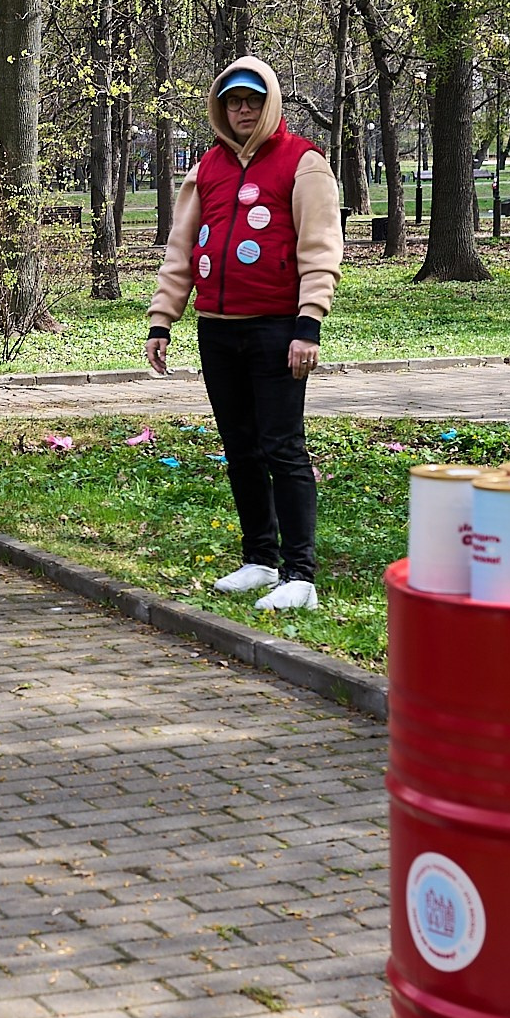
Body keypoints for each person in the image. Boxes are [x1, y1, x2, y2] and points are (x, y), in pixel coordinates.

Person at [144, 56, 342, 613]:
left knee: (283, 446)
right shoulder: (206, 167)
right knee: (241, 447)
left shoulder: (303, 163)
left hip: (279, 330)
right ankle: (260, 557)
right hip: (219, 331)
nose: (243, 110)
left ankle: (299, 572)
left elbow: (321, 247)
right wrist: (164, 319)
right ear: (221, 108)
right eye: (233, 101)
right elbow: (180, 250)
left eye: (253, 100)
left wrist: (309, 324)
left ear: (270, 102)